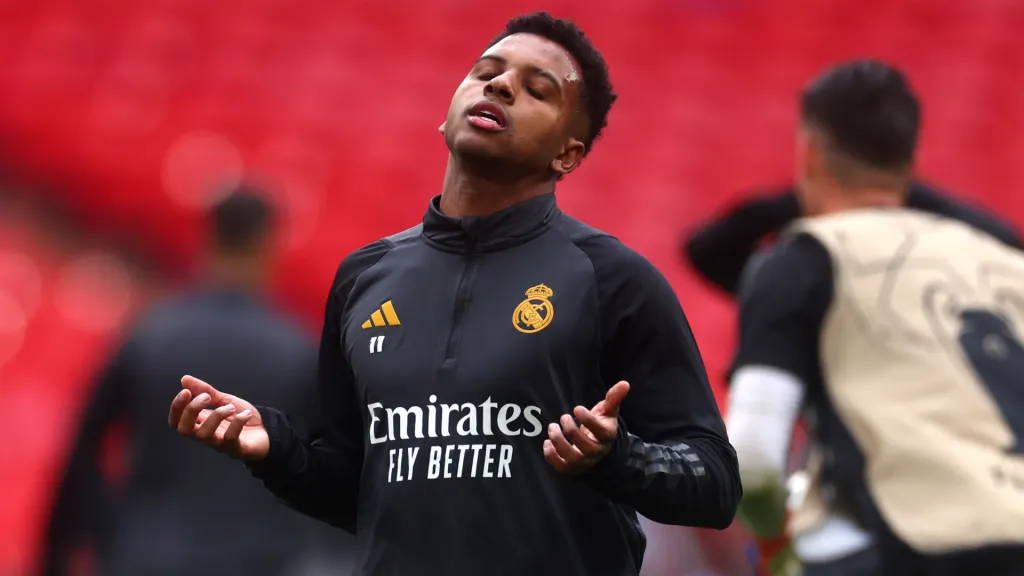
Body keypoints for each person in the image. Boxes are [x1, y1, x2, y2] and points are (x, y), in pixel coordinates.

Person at [167, 12, 741, 576]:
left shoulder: (612, 280)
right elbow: (357, 495)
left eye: (536, 89)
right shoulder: (364, 277)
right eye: (487, 71)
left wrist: (620, 459)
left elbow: (715, 482)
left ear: (567, 153)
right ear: (447, 116)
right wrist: (276, 449)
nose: (500, 84)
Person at [726, 59, 1024, 576]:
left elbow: (751, 463)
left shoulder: (804, 259)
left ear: (809, 153)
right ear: (913, 159)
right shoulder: (1008, 262)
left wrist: (777, 547)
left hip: (912, 549)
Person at [42, 189, 354, 576]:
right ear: (267, 245)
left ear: (208, 238)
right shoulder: (298, 351)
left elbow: (83, 454)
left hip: (142, 557)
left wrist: (80, 547)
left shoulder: (151, 332)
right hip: (253, 563)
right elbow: (324, 473)